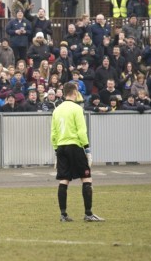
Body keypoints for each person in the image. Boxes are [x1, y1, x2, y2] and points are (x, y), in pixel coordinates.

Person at [51, 82, 104, 222]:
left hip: (61, 147)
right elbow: (81, 130)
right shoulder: (76, 108)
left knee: (64, 179)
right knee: (86, 178)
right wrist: (87, 149)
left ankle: (63, 215)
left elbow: (53, 133)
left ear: (63, 93)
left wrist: (56, 150)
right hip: (74, 145)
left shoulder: (57, 110)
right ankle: (88, 214)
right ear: (74, 92)